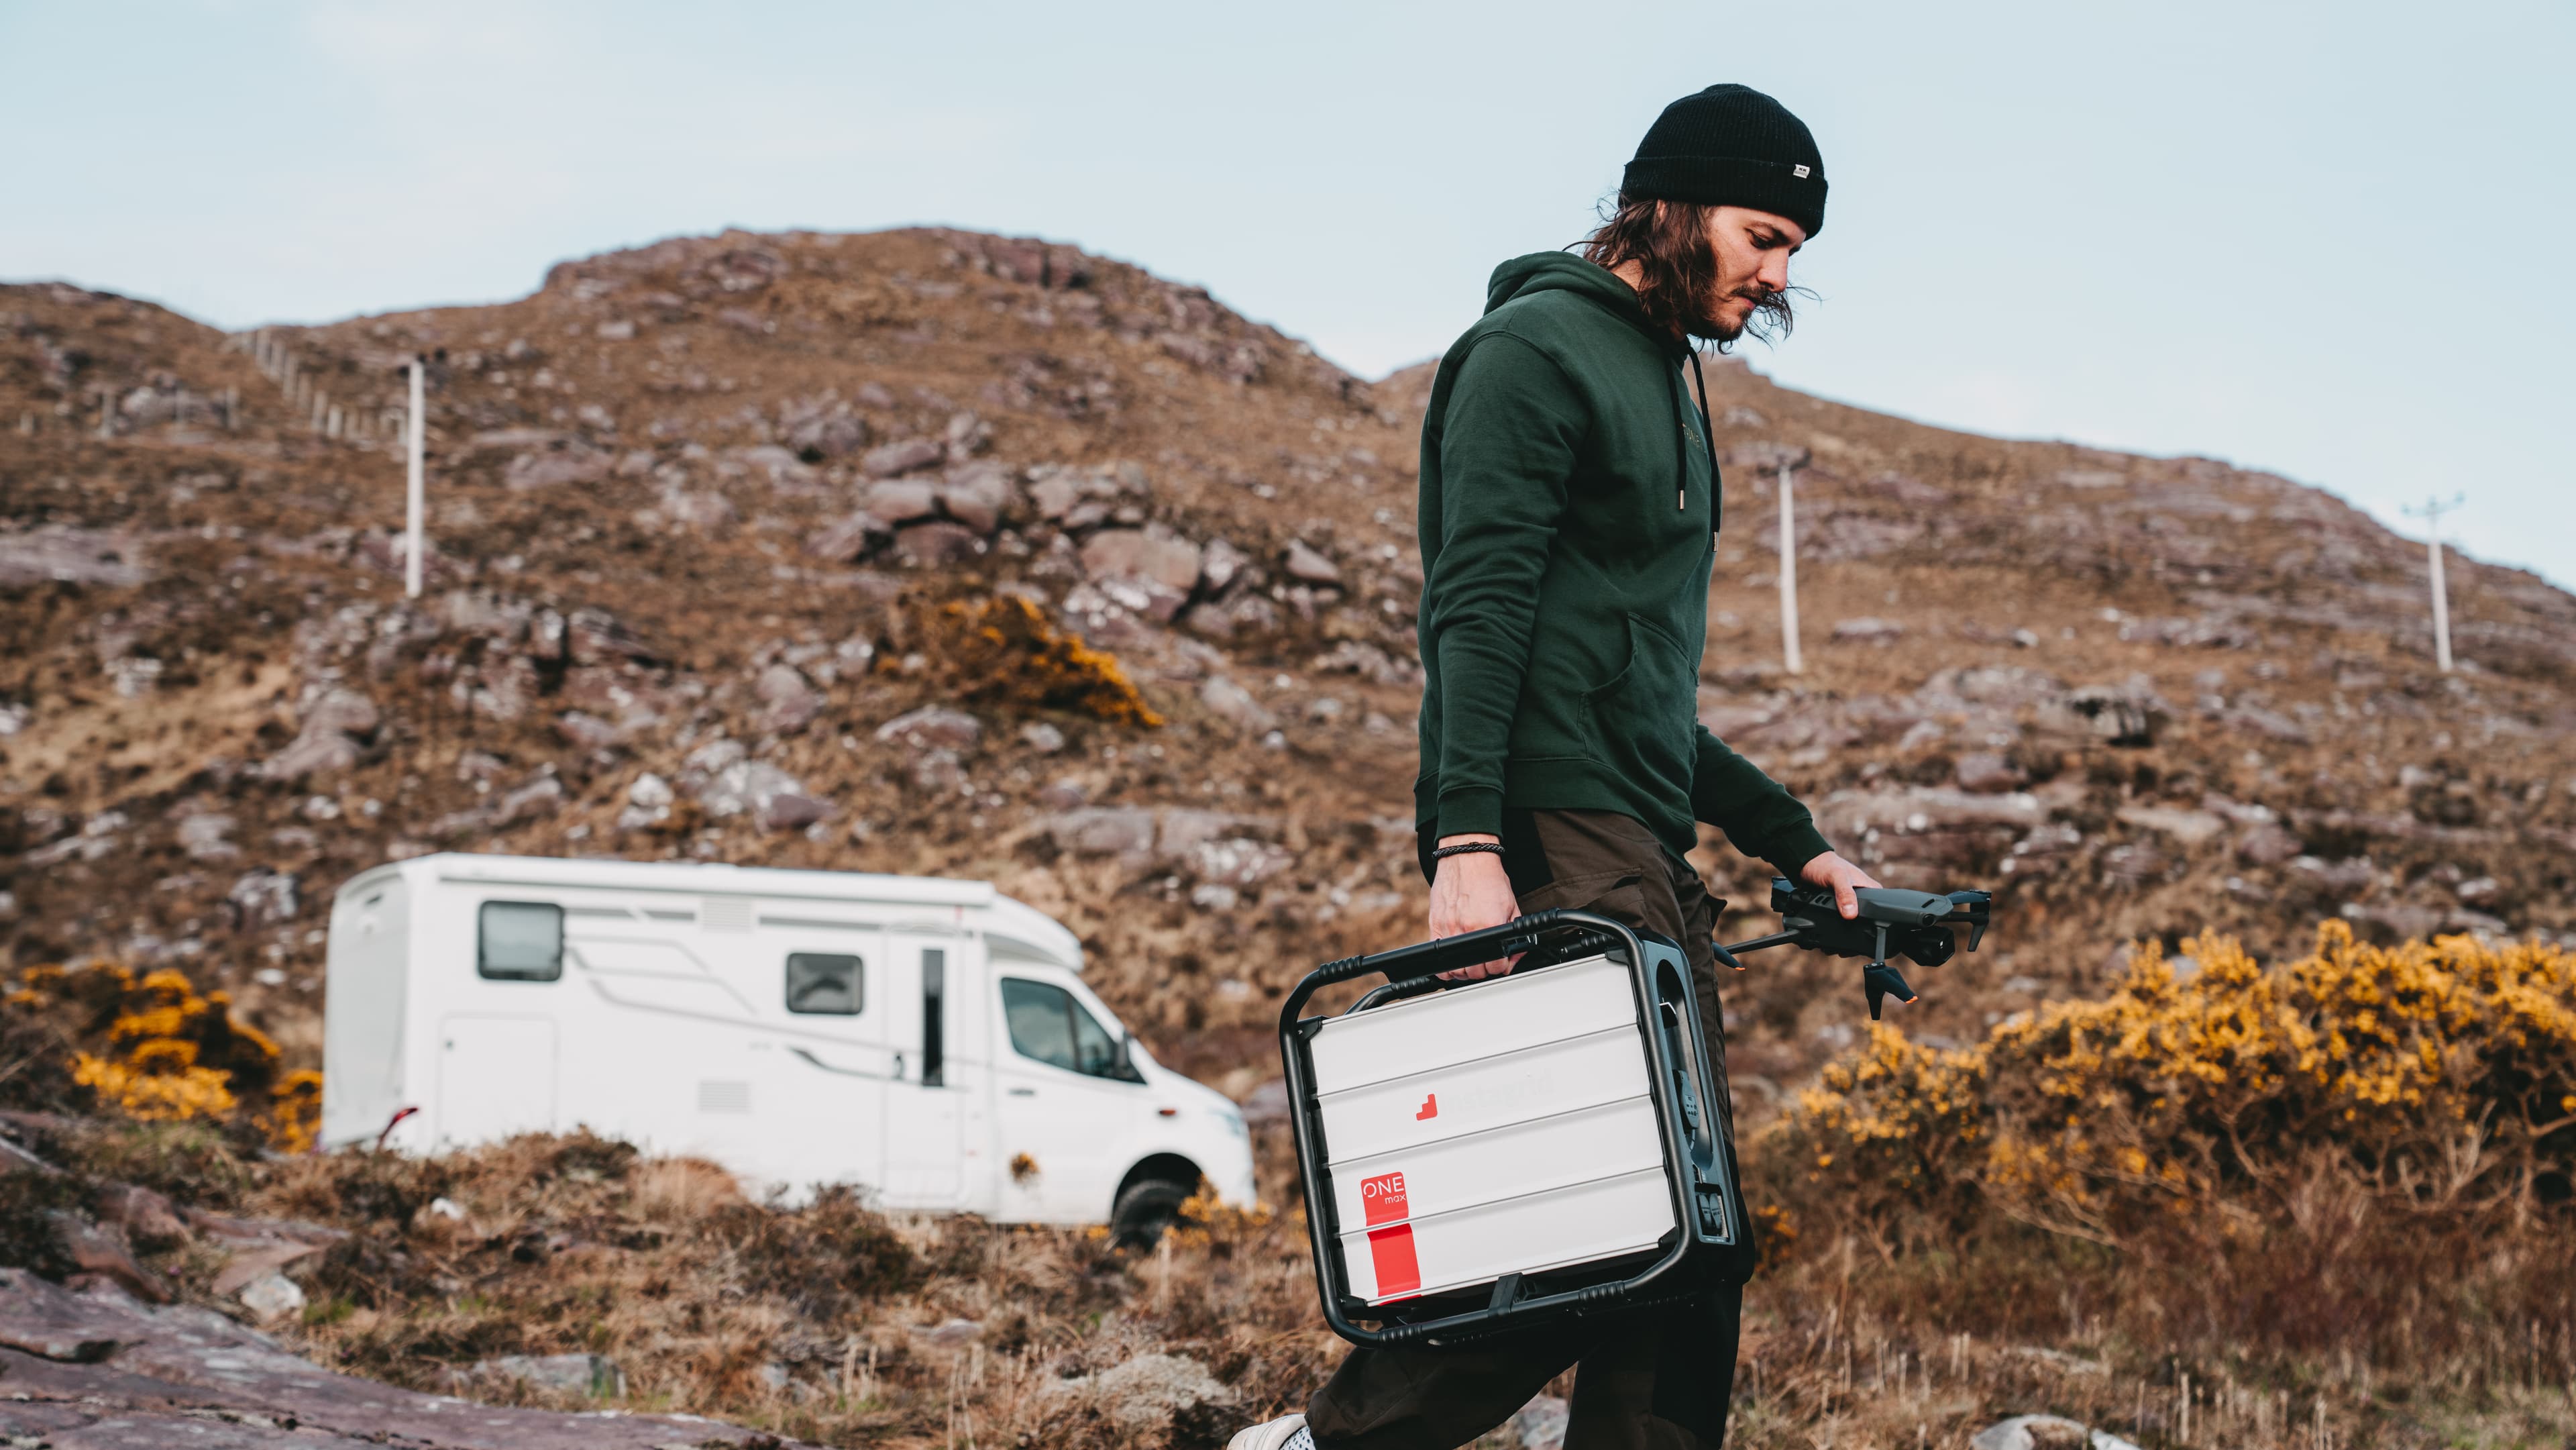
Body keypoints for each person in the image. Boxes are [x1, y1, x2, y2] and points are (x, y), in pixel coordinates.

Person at [1230, 85, 1879, 1450]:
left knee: (1682, 1250)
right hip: (1548, 829)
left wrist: (1791, 836)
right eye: (1765, 237)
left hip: (1632, 836)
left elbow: (1638, 695)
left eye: (1793, 254)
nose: (1777, 277)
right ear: (1677, 207)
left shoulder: (1667, 380)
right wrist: (1463, 845)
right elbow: (1479, 612)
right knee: (1622, 1217)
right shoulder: (1532, 353)